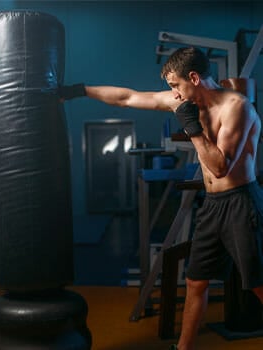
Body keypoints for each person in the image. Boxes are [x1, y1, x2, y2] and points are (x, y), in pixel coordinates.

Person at [58, 46, 263, 350]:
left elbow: (220, 167)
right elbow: (127, 97)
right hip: (212, 205)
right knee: (196, 281)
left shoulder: (237, 107)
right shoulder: (183, 99)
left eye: (175, 85)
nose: (173, 94)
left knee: (257, 285)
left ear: (193, 77)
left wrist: (190, 125)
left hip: (240, 202)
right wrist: (77, 91)